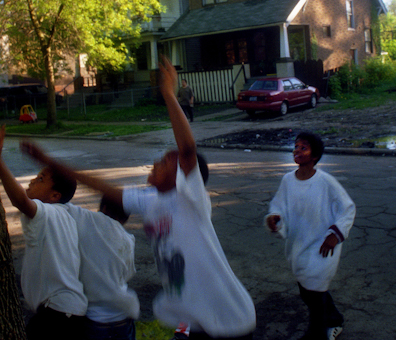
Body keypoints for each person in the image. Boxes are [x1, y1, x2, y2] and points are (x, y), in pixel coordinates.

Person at [21, 56, 256, 340]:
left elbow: (188, 149)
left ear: (181, 175)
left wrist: (169, 94)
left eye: (166, 161)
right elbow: (102, 187)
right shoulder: (151, 201)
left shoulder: (190, 199)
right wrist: (50, 161)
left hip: (229, 320)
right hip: (191, 321)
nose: (157, 162)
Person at [0, 125, 86, 340]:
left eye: (41, 179)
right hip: (69, 312)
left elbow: (21, 201)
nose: (33, 180)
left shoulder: (47, 213)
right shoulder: (64, 215)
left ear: (54, 196)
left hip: (58, 314)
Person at [265, 131, 356, 340]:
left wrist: (336, 234)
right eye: (296, 146)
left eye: (303, 147)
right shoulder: (288, 180)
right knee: (308, 290)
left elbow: (347, 208)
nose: (297, 150)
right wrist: (274, 219)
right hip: (299, 246)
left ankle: (316, 334)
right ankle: (335, 319)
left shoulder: (326, 182)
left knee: (314, 293)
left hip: (323, 247)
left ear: (314, 156)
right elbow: (278, 206)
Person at [67, 196, 140, 340]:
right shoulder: (128, 239)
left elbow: (64, 206)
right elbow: (128, 274)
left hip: (94, 319)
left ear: (104, 208)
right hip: (123, 316)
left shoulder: (87, 220)